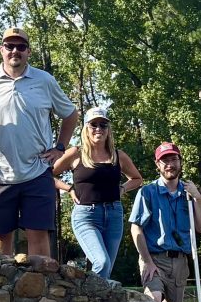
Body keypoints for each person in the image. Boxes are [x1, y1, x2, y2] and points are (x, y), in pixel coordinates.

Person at [0, 27, 79, 257]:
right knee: (0, 241)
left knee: (39, 239)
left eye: (20, 47)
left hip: (37, 172)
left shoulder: (44, 81)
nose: (14, 51)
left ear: (28, 51)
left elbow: (70, 114)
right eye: (9, 46)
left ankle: (41, 293)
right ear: (1, 50)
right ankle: (2, 292)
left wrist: (60, 148)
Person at [52, 107, 142, 280]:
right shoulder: (76, 153)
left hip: (114, 215)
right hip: (86, 216)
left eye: (103, 125)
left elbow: (137, 179)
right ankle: (87, 299)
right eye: (94, 124)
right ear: (86, 127)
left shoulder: (118, 155)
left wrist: (123, 188)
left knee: (106, 271)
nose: (98, 129)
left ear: (108, 129)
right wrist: (68, 188)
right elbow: (47, 175)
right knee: (102, 262)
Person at [128, 142, 201, 302]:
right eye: (165, 161)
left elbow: (200, 227)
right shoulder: (147, 192)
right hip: (155, 258)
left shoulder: (189, 192)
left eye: (174, 159)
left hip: (180, 262)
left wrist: (198, 198)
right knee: (153, 299)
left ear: (180, 161)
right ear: (158, 165)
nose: (170, 164)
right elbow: (136, 228)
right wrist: (148, 262)